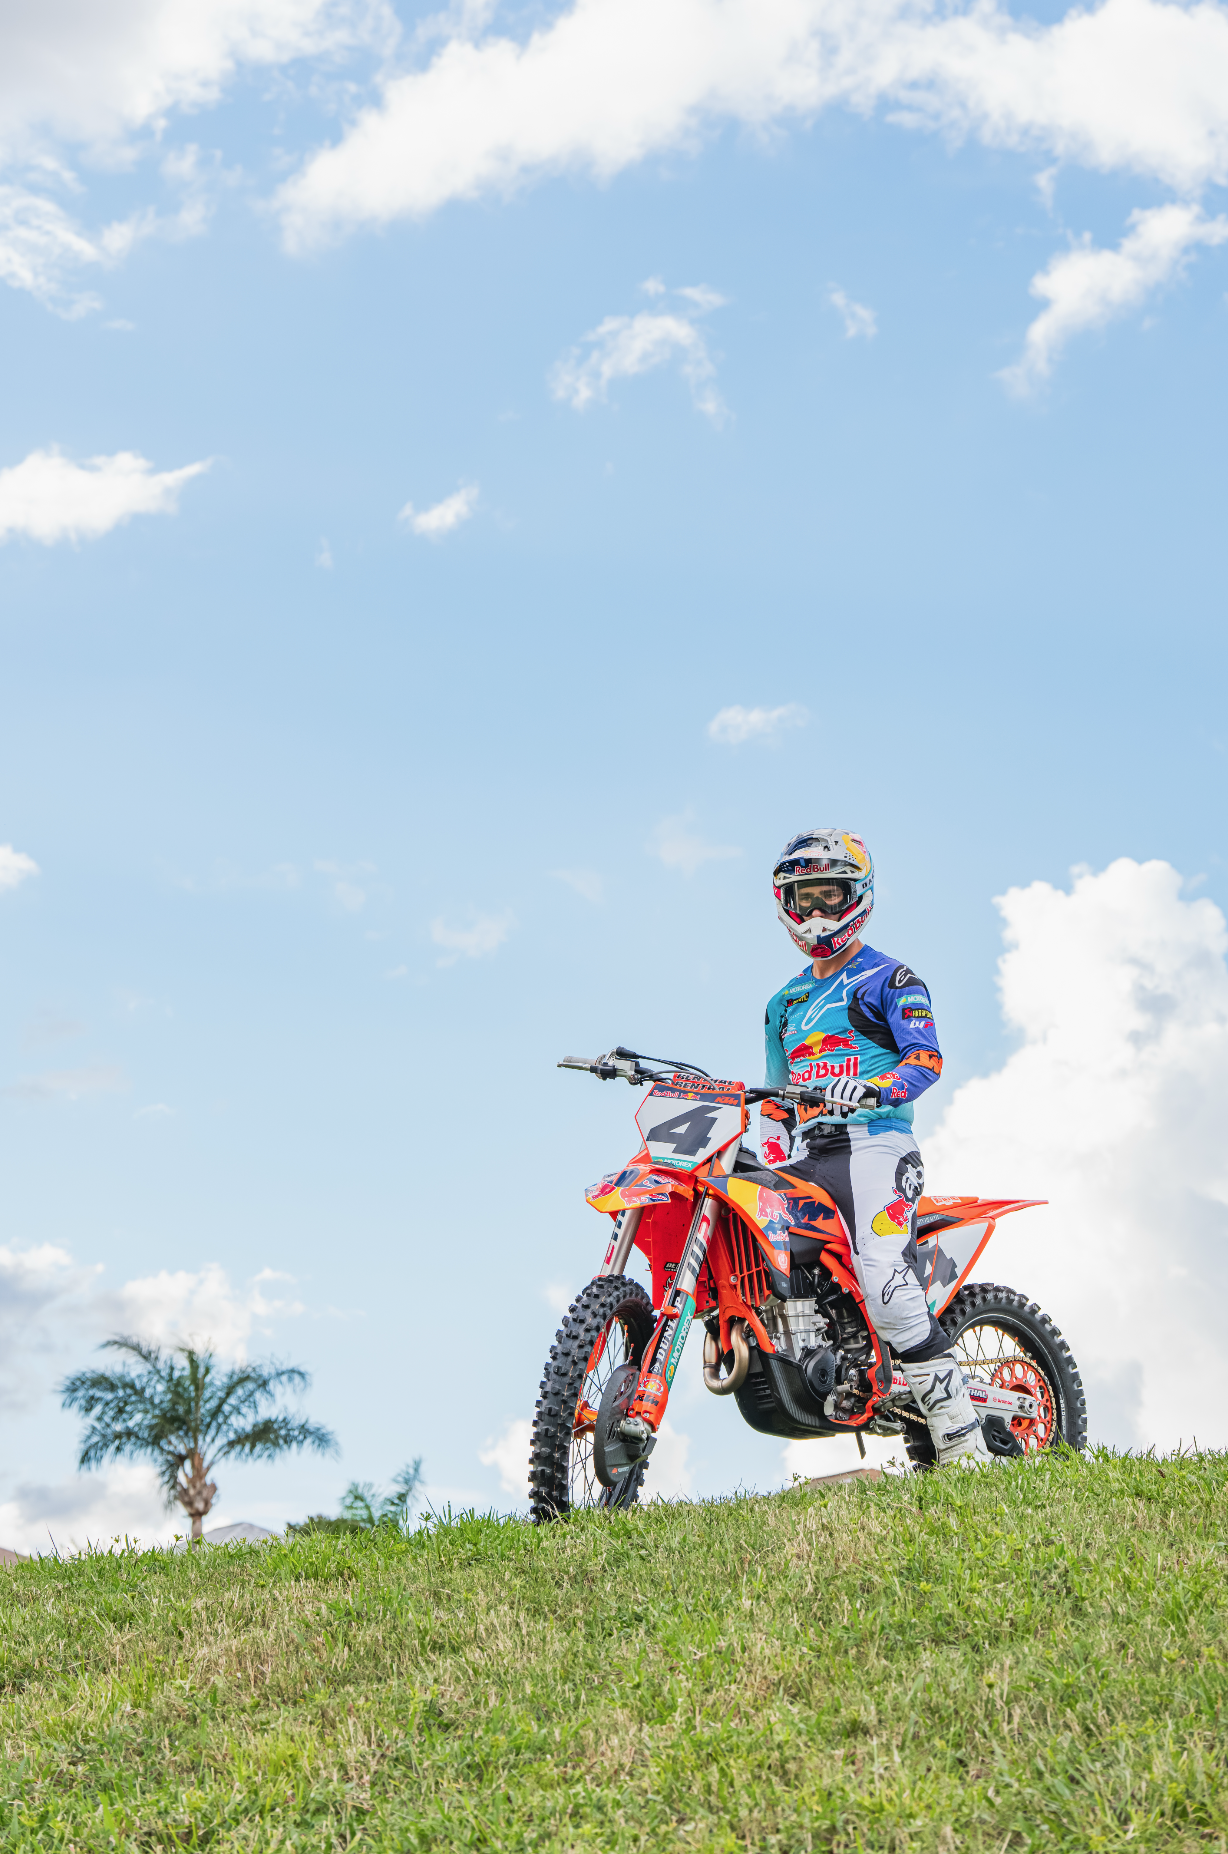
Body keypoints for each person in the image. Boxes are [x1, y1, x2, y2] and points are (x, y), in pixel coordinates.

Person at [762, 828, 991, 1467]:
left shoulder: (890, 977)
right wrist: (771, 1134)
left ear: (856, 895)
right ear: (784, 900)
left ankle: (964, 1444)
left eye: (829, 896)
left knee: (886, 1283)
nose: (815, 913)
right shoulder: (783, 1002)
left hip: (879, 1147)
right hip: (811, 1155)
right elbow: (777, 1096)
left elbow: (926, 1059)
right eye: (803, 898)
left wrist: (871, 1087)